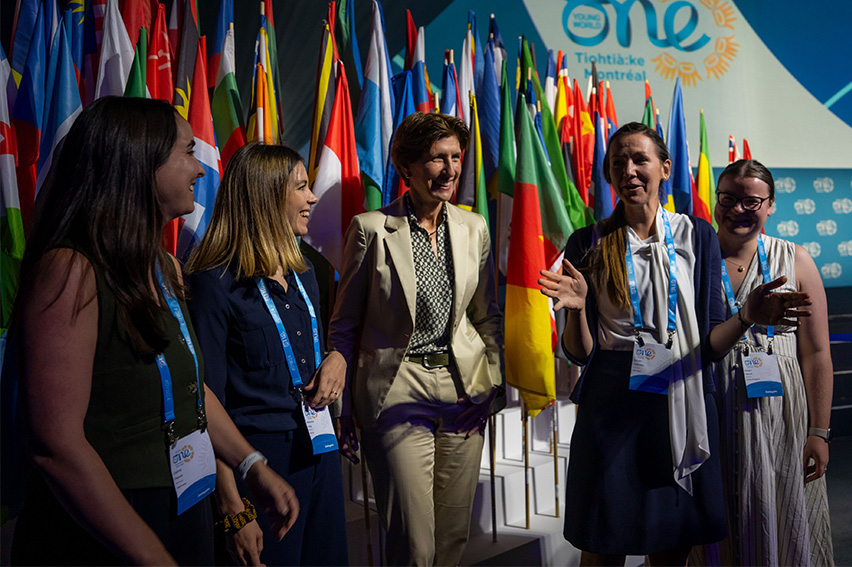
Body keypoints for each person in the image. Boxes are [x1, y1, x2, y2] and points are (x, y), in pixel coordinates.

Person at [9, 97, 298, 566]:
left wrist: (251, 465)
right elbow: (56, 445)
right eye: (187, 152)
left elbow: (190, 387)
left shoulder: (165, 267)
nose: (200, 168)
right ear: (139, 162)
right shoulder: (69, 270)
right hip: (105, 526)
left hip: (183, 507)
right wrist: (152, 556)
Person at [538, 123, 811, 566]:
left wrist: (747, 317)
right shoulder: (587, 242)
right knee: (604, 546)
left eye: (639, 160)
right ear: (608, 174)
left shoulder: (697, 236)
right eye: (618, 162)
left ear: (664, 169)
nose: (629, 170)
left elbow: (711, 344)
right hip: (611, 406)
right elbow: (581, 353)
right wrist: (578, 308)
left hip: (682, 399)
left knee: (673, 548)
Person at [322, 112, 505, 566]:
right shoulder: (370, 229)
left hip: (465, 387)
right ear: (406, 168)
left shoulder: (474, 227)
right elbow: (344, 323)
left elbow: (487, 314)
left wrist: (494, 380)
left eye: (455, 157)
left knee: (451, 541)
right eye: (435, 158)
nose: (449, 169)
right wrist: (342, 409)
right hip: (396, 389)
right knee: (413, 546)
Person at [185, 143, 348, 567]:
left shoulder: (304, 269)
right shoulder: (214, 282)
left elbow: (305, 350)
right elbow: (204, 403)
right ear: (266, 196)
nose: (313, 198)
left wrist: (336, 358)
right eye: (300, 187)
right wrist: (233, 507)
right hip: (259, 464)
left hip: (320, 451)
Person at [691, 160, 834, 566]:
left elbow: (817, 353)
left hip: (779, 418)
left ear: (770, 205)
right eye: (729, 199)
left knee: (780, 519)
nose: (739, 209)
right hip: (710, 410)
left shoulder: (796, 260)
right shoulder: (692, 258)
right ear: (715, 202)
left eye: (751, 201)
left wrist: (819, 431)